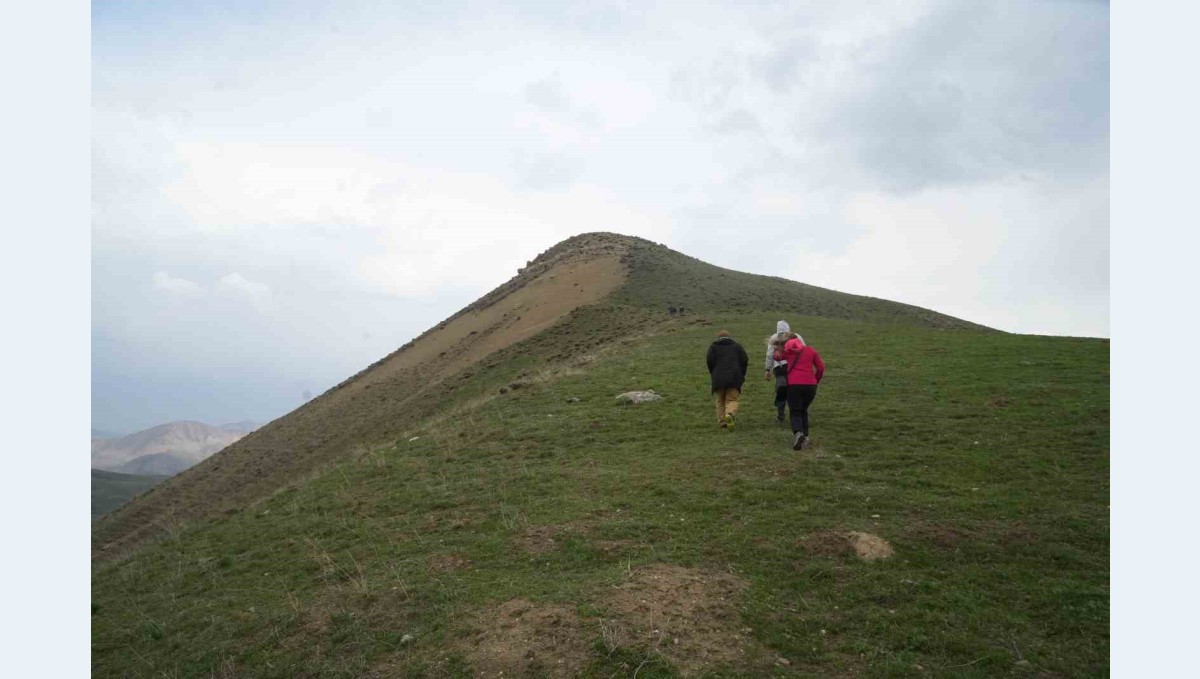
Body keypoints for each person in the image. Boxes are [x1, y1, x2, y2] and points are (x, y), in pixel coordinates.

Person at [777, 332, 825, 450]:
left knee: (795, 410)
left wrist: (779, 346)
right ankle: (806, 437)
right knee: (803, 410)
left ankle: (798, 433)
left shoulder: (788, 352)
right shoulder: (810, 350)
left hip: (794, 384)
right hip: (810, 385)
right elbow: (821, 367)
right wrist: (816, 380)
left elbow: (776, 357)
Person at [706, 329, 749, 430]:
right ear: (730, 337)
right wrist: (742, 373)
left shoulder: (713, 347)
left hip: (718, 378)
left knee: (720, 401)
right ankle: (729, 413)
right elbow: (745, 360)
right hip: (734, 377)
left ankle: (722, 422)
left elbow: (709, 361)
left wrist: (713, 373)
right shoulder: (737, 346)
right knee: (732, 399)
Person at [764, 321, 800, 424]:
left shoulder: (774, 338)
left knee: (781, 391)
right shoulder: (796, 337)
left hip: (781, 368)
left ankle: (781, 416)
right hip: (791, 367)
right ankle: (795, 415)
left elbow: (770, 354)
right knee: (791, 391)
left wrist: (767, 369)